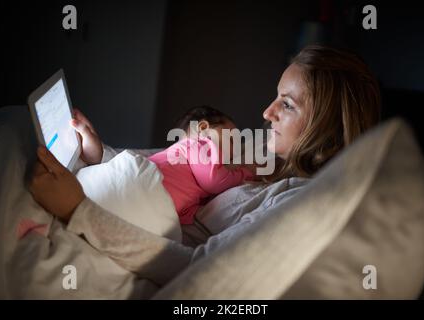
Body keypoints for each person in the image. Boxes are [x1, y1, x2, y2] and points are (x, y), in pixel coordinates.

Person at [28, 45, 381, 285]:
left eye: (287, 105)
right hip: (130, 209)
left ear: (329, 130)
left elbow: (201, 268)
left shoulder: (298, 200)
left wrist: (79, 210)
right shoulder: (268, 165)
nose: (266, 112)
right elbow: (171, 176)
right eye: (277, 97)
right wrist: (101, 155)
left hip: (121, 231)